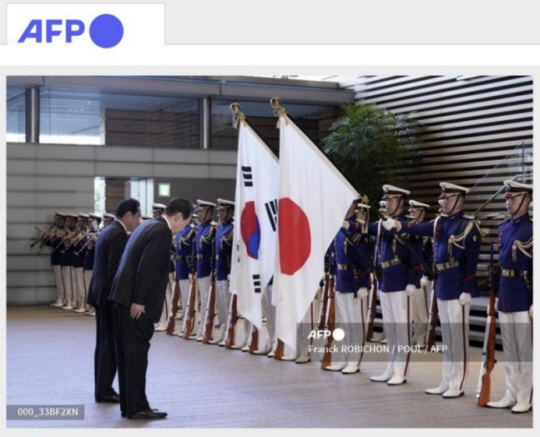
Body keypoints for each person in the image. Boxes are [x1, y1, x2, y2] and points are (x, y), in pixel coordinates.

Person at [383, 182, 482, 398]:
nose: (443, 201)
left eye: (448, 198)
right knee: (446, 338)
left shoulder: (468, 226)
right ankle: (446, 381)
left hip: (458, 286)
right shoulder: (439, 223)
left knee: (458, 339)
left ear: (459, 200)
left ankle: (457, 383)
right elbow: (419, 228)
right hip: (443, 283)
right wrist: (399, 225)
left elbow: (471, 262)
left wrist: (467, 289)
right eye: (443, 198)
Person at [109, 197, 193, 420]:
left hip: (121, 298)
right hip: (134, 303)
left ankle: (130, 405)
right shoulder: (162, 232)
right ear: (177, 217)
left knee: (128, 354)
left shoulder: (148, 225)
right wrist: (139, 300)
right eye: (185, 222)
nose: (184, 228)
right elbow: (146, 267)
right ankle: (137, 407)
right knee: (136, 355)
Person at [344, 184, 422, 385]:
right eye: (386, 200)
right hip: (386, 280)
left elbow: (416, 253)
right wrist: (347, 225)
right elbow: (366, 228)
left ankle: (400, 371)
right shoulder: (382, 223)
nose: (387, 203)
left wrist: (413, 281)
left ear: (399, 202)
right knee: (391, 328)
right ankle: (390, 368)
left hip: (401, 280)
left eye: (390, 200)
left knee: (402, 329)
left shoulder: (408, 223)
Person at [87, 198, 141, 404]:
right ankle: (105, 391)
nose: (138, 222)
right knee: (109, 345)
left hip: (100, 294)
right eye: (137, 217)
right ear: (128, 216)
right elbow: (115, 272)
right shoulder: (118, 233)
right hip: (109, 297)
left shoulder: (108, 230)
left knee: (102, 343)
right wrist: (120, 301)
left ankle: (101, 388)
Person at [486, 180, 532, 414]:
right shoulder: (504, 228)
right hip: (505, 292)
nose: (509, 202)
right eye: (507, 198)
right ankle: (510, 393)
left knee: (526, 350)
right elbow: (500, 265)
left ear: (527, 200)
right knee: (510, 350)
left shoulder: (533, 229)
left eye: (513, 198)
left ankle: (525, 396)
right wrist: (494, 298)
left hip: (524, 294)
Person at [326, 200, 373, 374]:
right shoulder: (338, 227)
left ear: (353, 206)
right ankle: (343, 359)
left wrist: (362, 284)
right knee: (345, 324)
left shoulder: (359, 228)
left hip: (355, 282)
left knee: (356, 324)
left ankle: (354, 360)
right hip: (341, 280)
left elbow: (366, 259)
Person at [407, 200, 433, 349]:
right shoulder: (410, 230)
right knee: (414, 309)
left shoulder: (427, 231)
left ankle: (422, 338)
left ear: (422, 213)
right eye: (410, 211)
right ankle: (416, 336)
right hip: (411, 275)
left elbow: (431, 255)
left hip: (422, 275)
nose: (412, 214)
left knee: (422, 309)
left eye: (415, 211)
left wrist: (427, 274)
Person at [211, 199, 235, 345]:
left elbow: (234, 251)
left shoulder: (233, 228)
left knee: (227, 302)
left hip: (227, 269)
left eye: (224, 210)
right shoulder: (221, 228)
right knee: (221, 303)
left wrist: (232, 270)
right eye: (220, 210)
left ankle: (229, 333)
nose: (220, 213)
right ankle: (224, 330)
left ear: (231, 211)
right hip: (219, 268)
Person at [193, 200, 217, 341]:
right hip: (200, 266)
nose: (200, 214)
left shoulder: (213, 228)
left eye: (202, 211)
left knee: (208, 300)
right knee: (202, 299)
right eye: (199, 211)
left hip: (208, 267)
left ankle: (209, 330)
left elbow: (214, 250)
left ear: (209, 212)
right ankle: (203, 328)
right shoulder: (200, 228)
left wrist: (213, 268)